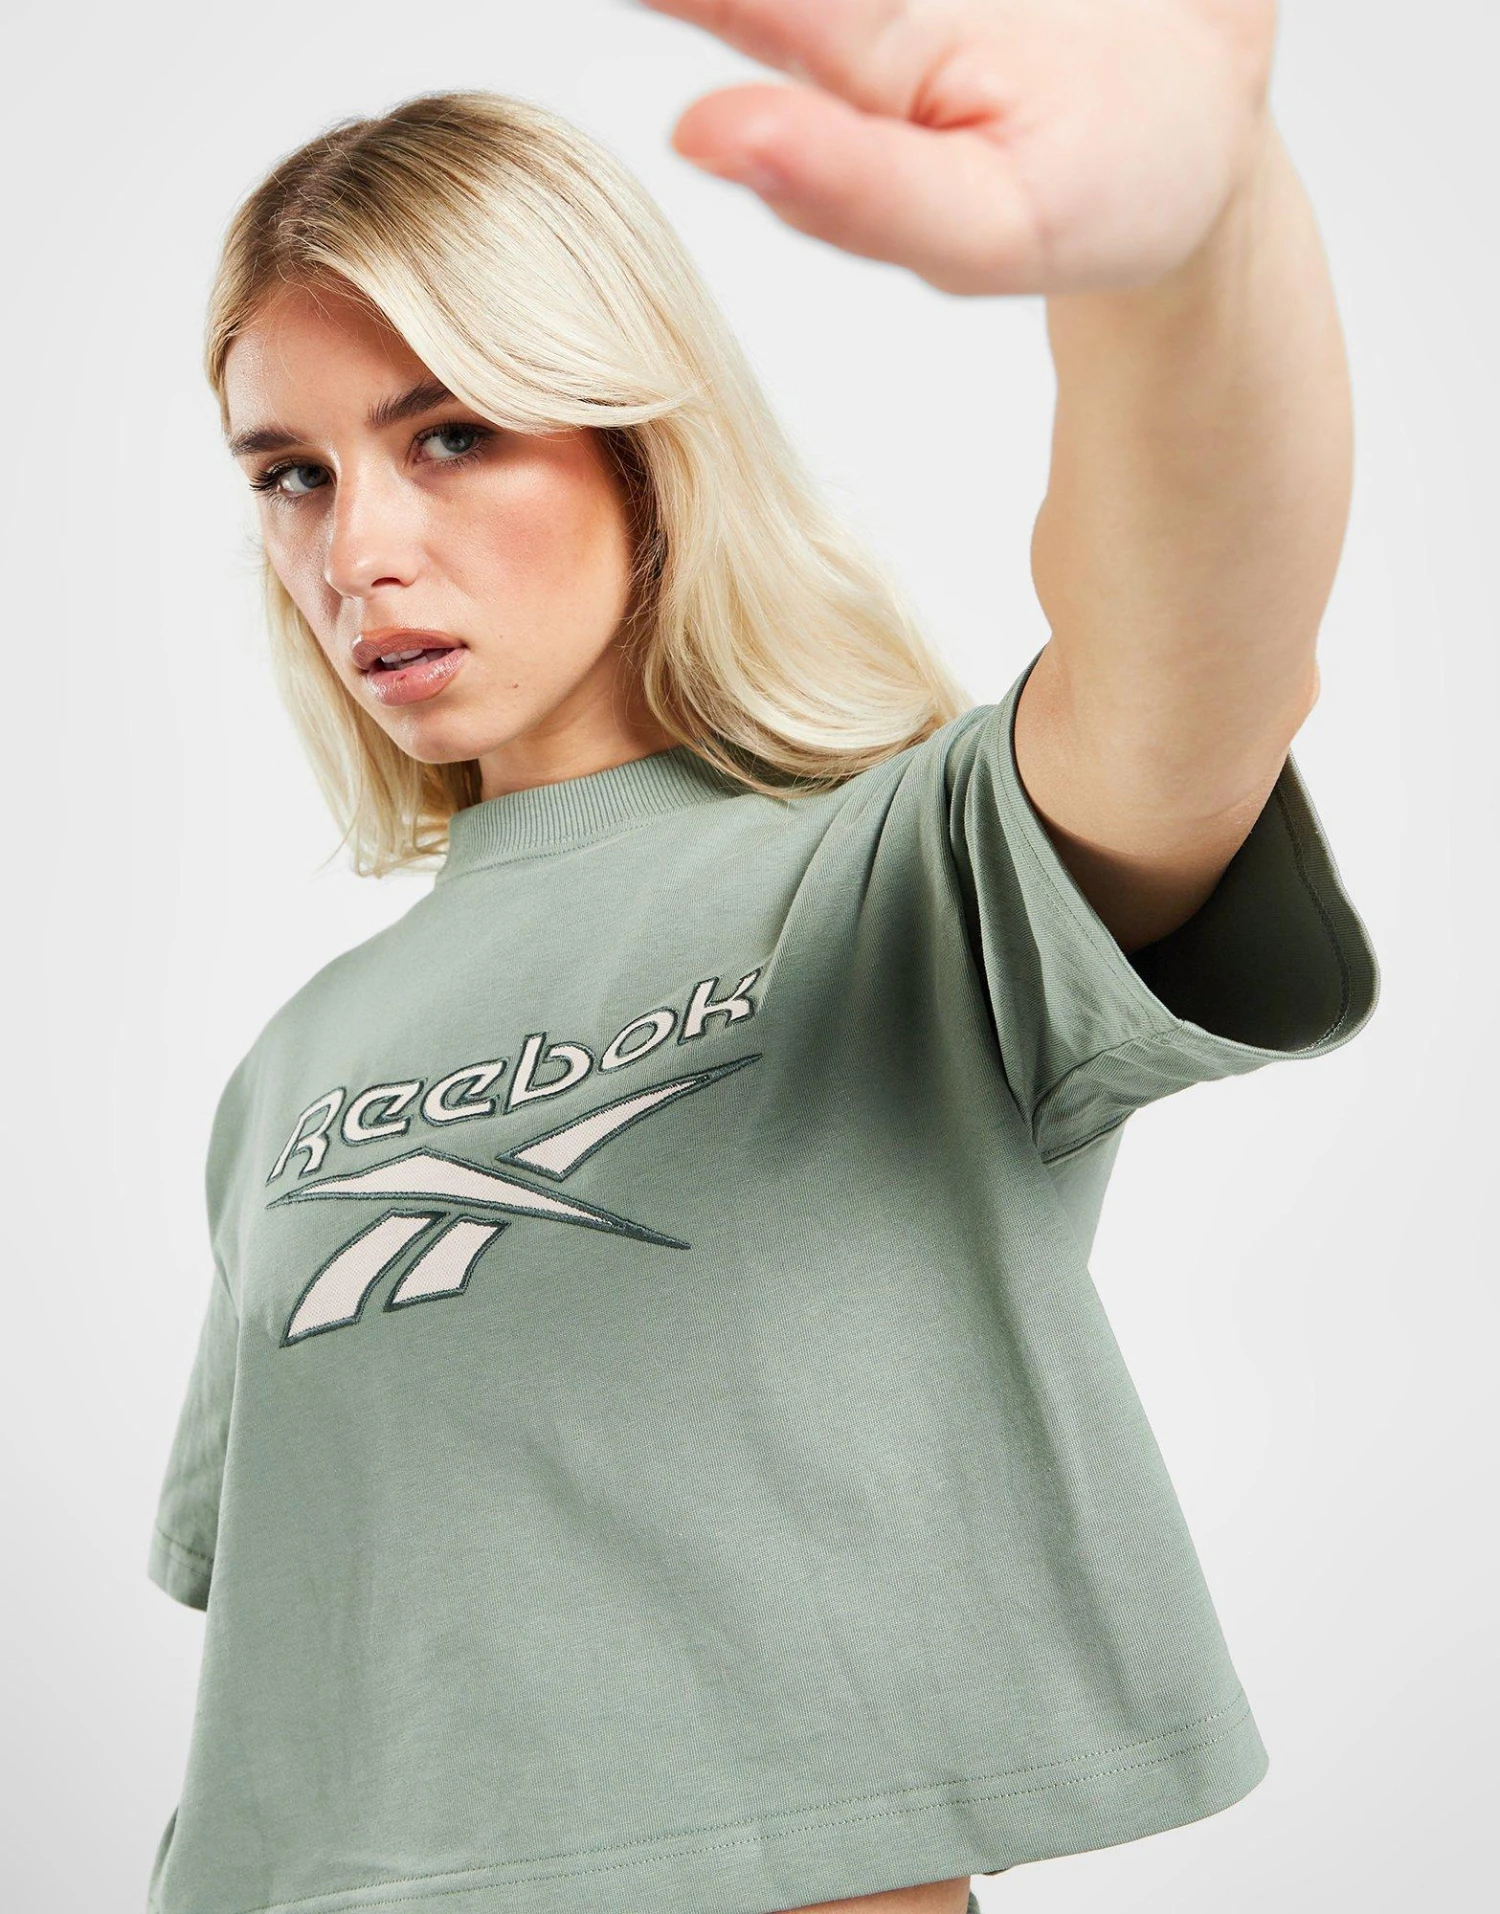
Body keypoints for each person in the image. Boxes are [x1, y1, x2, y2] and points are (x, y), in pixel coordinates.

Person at [144, 5, 1380, 1913]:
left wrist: (1197, 253)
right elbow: (307, 1688)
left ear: (640, 446)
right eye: (290, 472)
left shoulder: (903, 885)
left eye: (451, 433)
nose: (355, 549)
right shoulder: (292, 1069)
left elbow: (1196, 653)